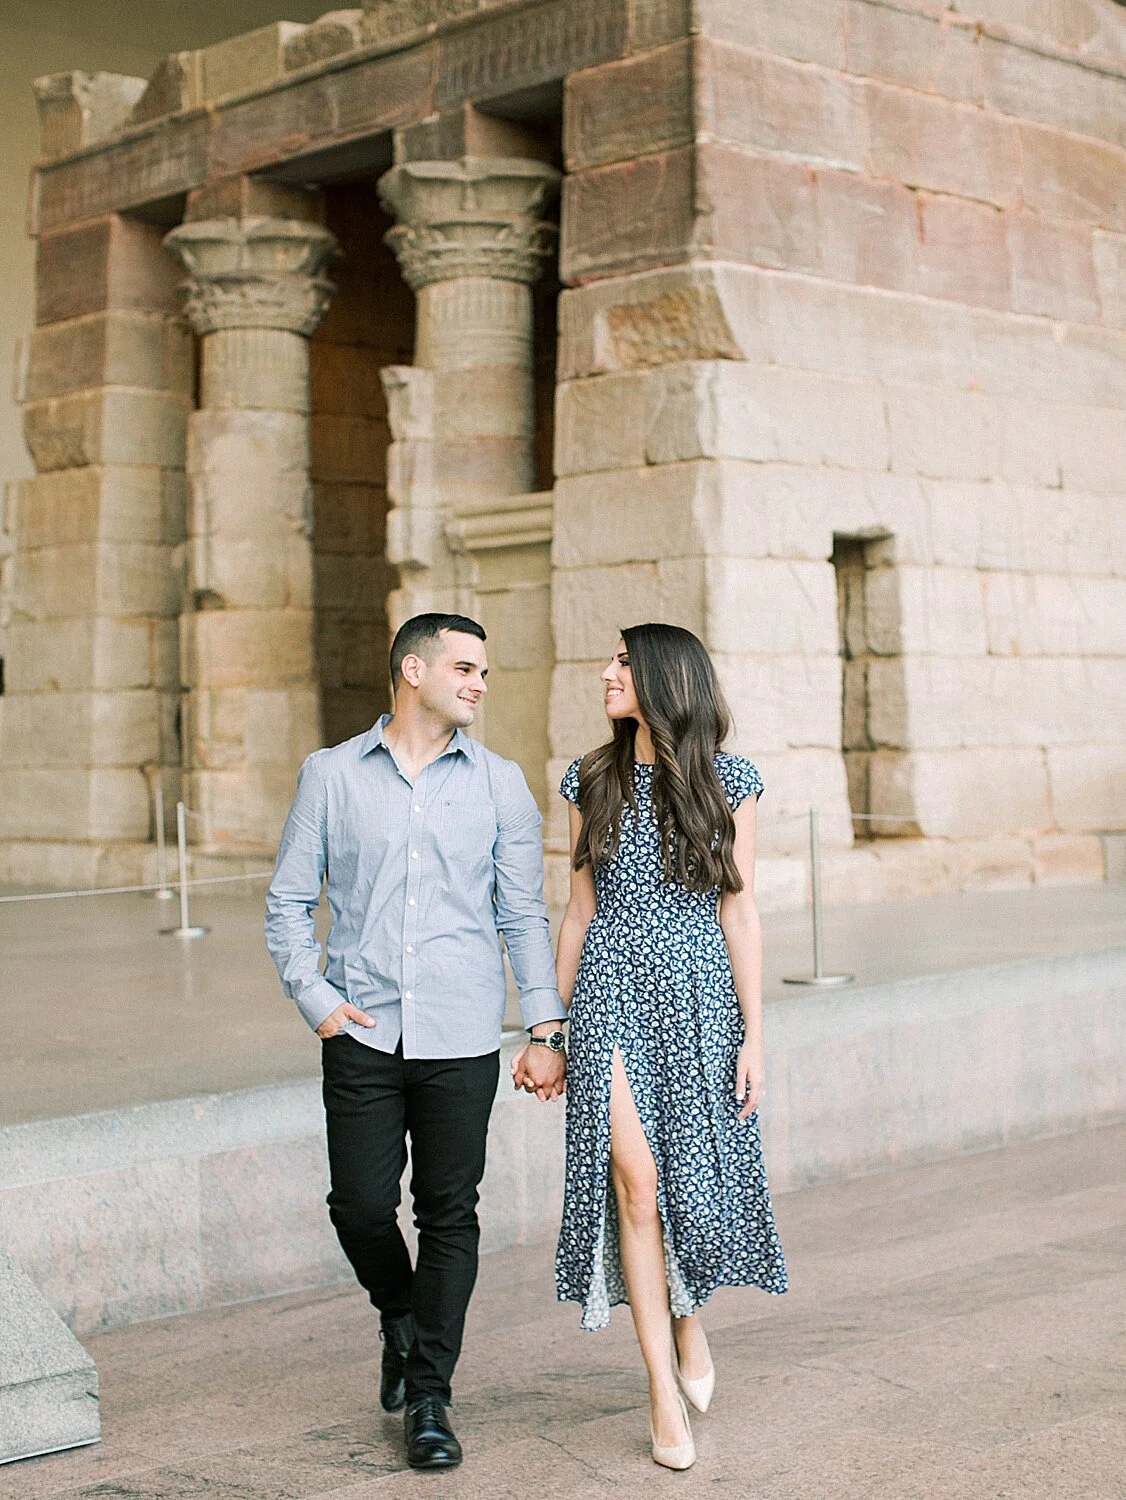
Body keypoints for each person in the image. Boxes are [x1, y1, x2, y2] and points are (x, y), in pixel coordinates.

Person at [266, 613, 567, 1471]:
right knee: (358, 1206)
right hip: (360, 1026)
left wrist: (545, 1027)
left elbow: (520, 914)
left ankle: (430, 1396)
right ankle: (401, 1315)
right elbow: (288, 902)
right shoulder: (330, 776)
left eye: (483, 670)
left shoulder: (501, 784)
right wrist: (315, 997)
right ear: (413, 670)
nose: (478, 683)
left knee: (448, 1214)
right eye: (465, 667)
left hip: (461, 1034)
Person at [515, 622, 788, 1470]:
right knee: (635, 1184)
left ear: (666, 680)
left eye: (624, 663)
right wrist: (547, 1029)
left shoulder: (727, 781)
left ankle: (689, 1317)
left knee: (688, 1185)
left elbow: (739, 911)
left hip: (702, 999)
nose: (606, 674)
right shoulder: (589, 780)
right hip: (612, 997)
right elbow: (578, 910)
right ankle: (659, 1389)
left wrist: (754, 1031)